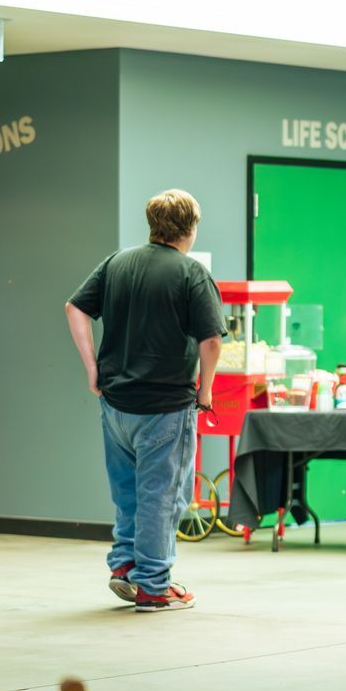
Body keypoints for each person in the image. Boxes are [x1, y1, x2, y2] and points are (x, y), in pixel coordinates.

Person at [64, 189, 224, 613]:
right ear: (190, 228)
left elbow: (74, 308)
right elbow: (210, 340)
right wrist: (205, 390)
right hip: (165, 406)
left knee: (128, 492)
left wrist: (91, 368)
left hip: (116, 404)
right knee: (164, 495)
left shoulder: (117, 263)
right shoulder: (191, 273)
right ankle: (153, 586)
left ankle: (126, 567)